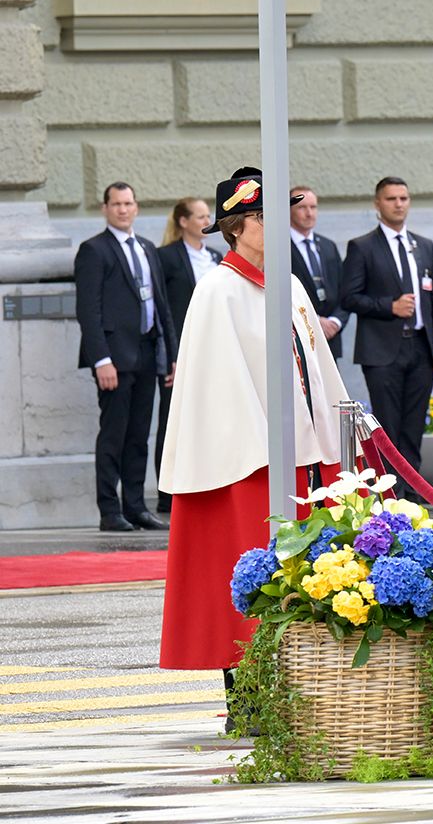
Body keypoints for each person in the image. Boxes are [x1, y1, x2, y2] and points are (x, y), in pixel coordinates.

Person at [157, 170, 349, 709]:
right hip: (249, 461)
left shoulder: (287, 283)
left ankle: (304, 693)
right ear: (237, 227)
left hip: (303, 458)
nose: (277, 223)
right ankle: (248, 701)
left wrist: (335, 430)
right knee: (249, 573)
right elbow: (219, 387)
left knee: (304, 575)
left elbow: (317, 364)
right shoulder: (218, 291)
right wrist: (265, 447)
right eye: (263, 216)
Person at [341, 176, 433, 496]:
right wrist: (388, 306)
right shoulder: (362, 247)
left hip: (419, 346)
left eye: (403, 198)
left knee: (413, 427)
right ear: (378, 204)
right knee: (388, 427)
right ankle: (391, 495)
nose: (398, 204)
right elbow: (349, 298)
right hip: (382, 351)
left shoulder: (423, 246)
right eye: (391, 199)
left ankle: (413, 494)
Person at [74, 182, 176, 533]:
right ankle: (109, 509)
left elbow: (161, 306)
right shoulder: (94, 250)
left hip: (148, 355)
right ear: (105, 208)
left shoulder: (147, 248)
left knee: (138, 437)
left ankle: (135, 506)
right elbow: (89, 310)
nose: (123, 209)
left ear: (136, 207)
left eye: (128, 203)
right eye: (116, 204)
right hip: (114, 360)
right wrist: (101, 360)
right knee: (113, 435)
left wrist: (171, 355)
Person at [153, 196, 220, 515]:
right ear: (183, 221)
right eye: (200, 216)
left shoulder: (217, 256)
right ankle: (168, 493)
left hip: (214, 349)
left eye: (209, 215)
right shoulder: (166, 257)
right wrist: (170, 354)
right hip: (181, 349)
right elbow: (162, 309)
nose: (206, 221)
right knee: (173, 420)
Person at [290, 185, 348, 359]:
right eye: (302, 207)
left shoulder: (328, 246)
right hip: (297, 341)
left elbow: (344, 291)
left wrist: (336, 322)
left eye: (313, 207)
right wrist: (314, 322)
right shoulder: (278, 247)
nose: (309, 213)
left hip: (330, 339)